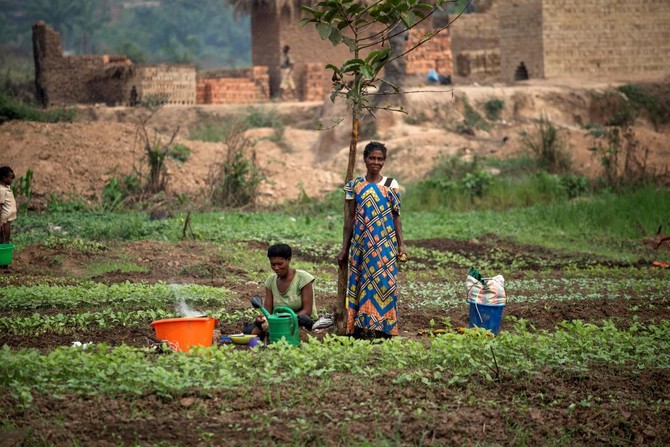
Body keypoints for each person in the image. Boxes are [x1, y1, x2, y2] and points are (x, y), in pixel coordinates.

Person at [337, 142, 407, 339]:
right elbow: (349, 220)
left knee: (384, 283)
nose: (376, 162)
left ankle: (383, 328)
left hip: (385, 244)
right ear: (365, 159)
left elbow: (396, 216)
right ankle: (361, 328)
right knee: (360, 283)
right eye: (372, 158)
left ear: (384, 161)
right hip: (361, 244)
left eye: (380, 159)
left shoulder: (390, 184)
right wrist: (345, 248)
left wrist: (401, 245)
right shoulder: (354, 185)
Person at [244, 243, 316, 337]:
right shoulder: (270, 281)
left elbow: (307, 310)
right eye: (273, 264)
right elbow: (268, 311)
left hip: (297, 319)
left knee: (304, 319)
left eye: (280, 264)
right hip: (278, 321)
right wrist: (263, 319)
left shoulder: (303, 278)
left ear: (288, 260)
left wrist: (284, 320)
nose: (276, 268)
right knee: (249, 329)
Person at [0, 166, 17, 271]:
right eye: (10, 178)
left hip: (7, 219)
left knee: (5, 239)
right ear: (3, 177)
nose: (12, 180)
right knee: (4, 241)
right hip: (3, 220)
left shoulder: (6, 187)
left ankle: (3, 264)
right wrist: (0, 222)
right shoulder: (1, 190)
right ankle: (3, 265)